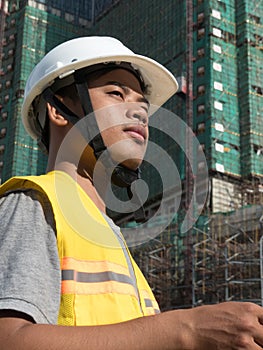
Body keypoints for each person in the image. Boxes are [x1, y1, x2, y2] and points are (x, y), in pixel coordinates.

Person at [0, 36, 263, 350]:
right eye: (116, 93)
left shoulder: (111, 239)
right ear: (58, 110)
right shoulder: (33, 203)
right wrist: (184, 330)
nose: (140, 114)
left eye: (143, 106)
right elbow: (9, 340)